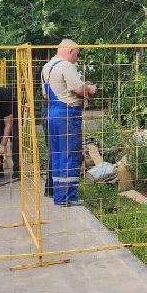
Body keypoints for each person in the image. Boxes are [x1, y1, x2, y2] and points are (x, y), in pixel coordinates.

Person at [39, 40, 96, 207]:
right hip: (67, 115)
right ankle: (68, 197)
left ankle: (58, 195)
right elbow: (78, 88)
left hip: (52, 113)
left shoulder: (46, 67)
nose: (76, 59)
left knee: (56, 154)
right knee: (70, 155)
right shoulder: (65, 65)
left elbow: (44, 94)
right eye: (76, 55)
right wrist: (91, 89)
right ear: (70, 51)